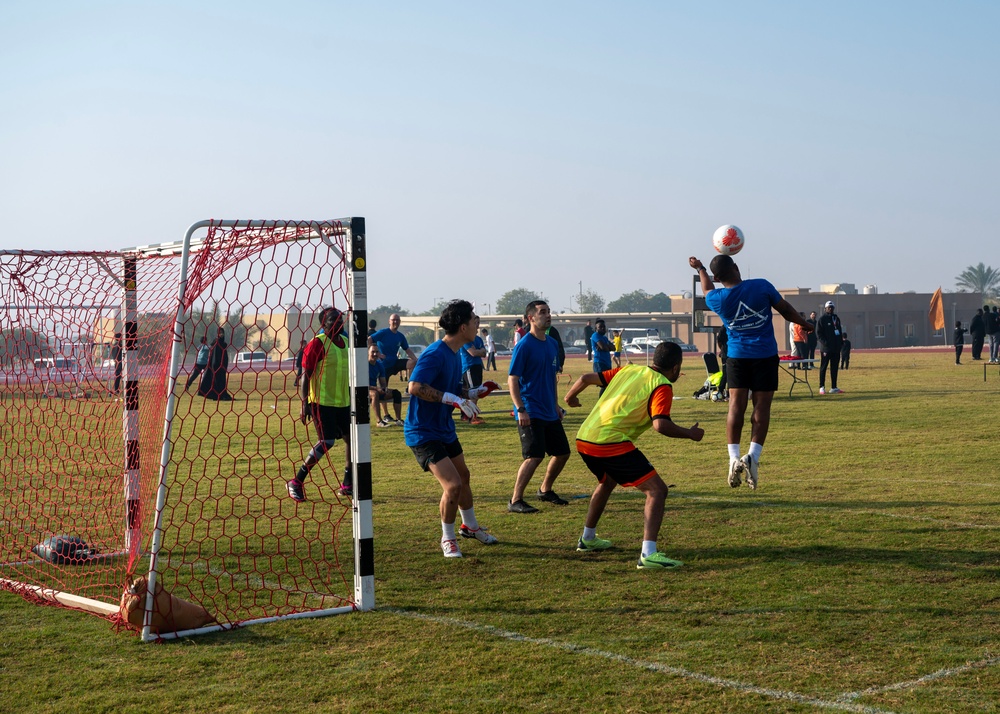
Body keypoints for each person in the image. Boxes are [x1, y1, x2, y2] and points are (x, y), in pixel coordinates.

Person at [564, 342, 704, 569]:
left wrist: (570, 397)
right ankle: (648, 554)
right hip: (609, 442)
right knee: (657, 491)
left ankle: (587, 539)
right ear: (676, 368)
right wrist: (690, 434)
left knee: (608, 481)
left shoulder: (628, 369)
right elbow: (661, 425)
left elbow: (586, 378)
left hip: (584, 438)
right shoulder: (662, 385)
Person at [689, 254, 813, 490]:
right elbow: (785, 309)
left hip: (737, 356)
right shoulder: (761, 285)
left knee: (735, 405)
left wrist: (700, 268)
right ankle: (753, 456)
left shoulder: (717, 298)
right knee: (762, 406)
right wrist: (804, 324)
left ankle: (733, 457)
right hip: (764, 355)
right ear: (736, 267)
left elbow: (706, 289)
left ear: (717, 277)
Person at [404, 300, 501, 558]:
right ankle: (447, 539)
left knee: (464, 477)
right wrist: (454, 400)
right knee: (453, 485)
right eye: (474, 321)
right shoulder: (435, 353)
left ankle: (470, 526)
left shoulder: (456, 353)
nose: (477, 324)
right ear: (462, 327)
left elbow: (452, 389)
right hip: (422, 432)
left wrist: (474, 392)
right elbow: (414, 387)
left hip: (444, 428)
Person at [507, 300, 570, 513]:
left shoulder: (552, 344)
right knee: (534, 456)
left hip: (548, 410)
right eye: (543, 312)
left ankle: (545, 490)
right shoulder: (524, 345)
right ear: (531, 318)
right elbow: (512, 379)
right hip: (530, 410)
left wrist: (555, 405)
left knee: (562, 453)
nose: (548, 315)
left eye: (549, 312)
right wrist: (520, 408)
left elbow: (552, 377)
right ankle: (515, 500)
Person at [287, 307, 352, 502]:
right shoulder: (317, 343)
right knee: (327, 442)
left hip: (343, 402)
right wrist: (305, 403)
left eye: (341, 319)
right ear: (324, 324)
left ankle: (347, 484)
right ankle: (296, 481)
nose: (339, 322)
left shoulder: (347, 342)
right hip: (321, 402)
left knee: (352, 441)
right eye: (334, 319)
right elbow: (305, 376)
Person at [368, 313, 417, 381]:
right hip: (384, 365)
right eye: (393, 320)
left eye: (397, 320)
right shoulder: (383, 332)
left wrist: (416, 360)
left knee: (412, 363)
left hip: (395, 362)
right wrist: (377, 354)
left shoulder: (400, 336)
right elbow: (369, 339)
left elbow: (407, 350)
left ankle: (409, 387)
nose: (395, 322)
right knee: (383, 389)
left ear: (399, 322)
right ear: (389, 321)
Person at [368, 344, 404, 426]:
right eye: (372, 352)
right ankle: (379, 421)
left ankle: (398, 420)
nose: (375, 354)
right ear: (368, 352)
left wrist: (384, 388)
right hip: (364, 391)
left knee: (396, 393)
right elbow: (361, 384)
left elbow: (383, 382)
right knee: (374, 394)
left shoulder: (379, 365)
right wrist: (376, 388)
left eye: (377, 352)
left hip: (375, 390)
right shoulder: (363, 365)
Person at [816, 301, 844, 395]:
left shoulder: (836, 318)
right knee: (823, 367)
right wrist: (825, 343)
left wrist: (840, 343)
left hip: (836, 348)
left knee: (834, 367)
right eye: (829, 307)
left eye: (832, 307)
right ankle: (821, 387)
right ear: (825, 308)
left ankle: (834, 387)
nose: (830, 309)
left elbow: (839, 330)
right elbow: (819, 333)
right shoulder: (822, 319)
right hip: (826, 348)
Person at [460, 329, 488, 425]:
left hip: (478, 366)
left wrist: (478, 351)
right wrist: (479, 351)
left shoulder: (479, 339)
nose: (476, 326)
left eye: (478, 323)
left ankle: (469, 415)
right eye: (475, 323)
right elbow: (473, 353)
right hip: (469, 367)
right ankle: (471, 417)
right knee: (472, 392)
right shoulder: (466, 339)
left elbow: (484, 353)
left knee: (476, 391)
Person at [198, 327, 233, 401]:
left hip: (222, 366)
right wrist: (216, 364)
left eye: (222, 332)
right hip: (217, 365)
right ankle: (218, 395)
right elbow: (215, 355)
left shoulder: (221, 342)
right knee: (217, 380)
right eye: (220, 332)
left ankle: (222, 394)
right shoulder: (217, 342)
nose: (221, 334)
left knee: (221, 380)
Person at [715, 326, 729, 400]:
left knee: (732, 374)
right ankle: (720, 390)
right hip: (726, 354)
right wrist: (722, 350)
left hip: (734, 353)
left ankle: (728, 392)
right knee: (726, 373)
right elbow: (719, 340)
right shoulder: (724, 327)